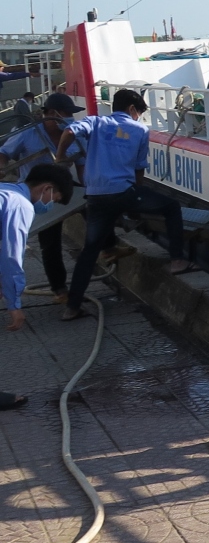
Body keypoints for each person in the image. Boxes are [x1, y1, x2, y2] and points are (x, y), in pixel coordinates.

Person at [56, 90, 194, 321]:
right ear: (132, 109)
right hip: (123, 192)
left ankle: (72, 308)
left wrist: (60, 157)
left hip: (96, 196)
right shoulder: (139, 130)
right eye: (139, 112)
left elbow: (69, 131)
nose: (138, 117)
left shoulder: (96, 122)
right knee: (171, 207)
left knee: (89, 251)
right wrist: (135, 201)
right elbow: (139, 169)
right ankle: (178, 260)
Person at [0, 163, 75, 409]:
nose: (50, 204)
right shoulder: (20, 205)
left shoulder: (6, 191)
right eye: (55, 198)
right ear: (47, 189)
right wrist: (14, 305)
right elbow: (12, 256)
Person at [1, 93, 85, 302]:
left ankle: (109, 248)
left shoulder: (74, 134)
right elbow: (3, 153)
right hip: (37, 194)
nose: (69, 118)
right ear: (52, 113)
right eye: (66, 113)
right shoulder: (28, 134)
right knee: (50, 242)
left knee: (94, 207)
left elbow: (81, 166)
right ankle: (60, 290)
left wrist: (87, 189)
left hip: (63, 187)